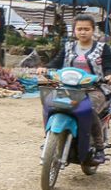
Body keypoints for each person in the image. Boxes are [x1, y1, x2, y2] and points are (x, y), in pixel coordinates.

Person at [42, 14, 110, 163]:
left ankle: (99, 148)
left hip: (95, 89)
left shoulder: (103, 48)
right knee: (50, 103)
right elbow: (55, 63)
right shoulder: (68, 47)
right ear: (74, 31)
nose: (83, 32)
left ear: (93, 30)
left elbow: (108, 67)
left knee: (88, 109)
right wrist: (45, 69)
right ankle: (49, 138)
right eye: (79, 29)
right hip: (68, 88)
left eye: (86, 29)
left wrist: (109, 75)